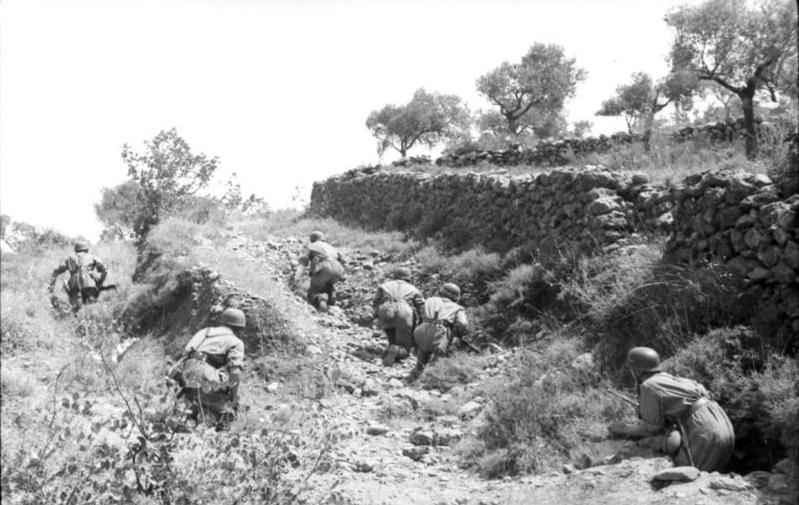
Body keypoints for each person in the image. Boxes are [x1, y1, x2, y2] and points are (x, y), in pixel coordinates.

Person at [609, 346, 735, 472]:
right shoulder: (672, 379)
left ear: (637, 371)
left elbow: (651, 429)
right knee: (711, 477)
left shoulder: (648, 386)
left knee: (685, 476)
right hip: (723, 423)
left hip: (705, 430)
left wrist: (622, 428)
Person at [175, 307, 246, 431]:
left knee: (191, 407)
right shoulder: (236, 342)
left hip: (185, 375)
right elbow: (235, 373)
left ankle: (190, 418)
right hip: (205, 378)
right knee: (229, 416)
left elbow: (186, 352)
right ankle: (218, 426)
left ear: (222, 322)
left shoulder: (205, 332)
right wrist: (233, 398)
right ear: (239, 329)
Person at [409, 283, 468, 380]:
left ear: (441, 291)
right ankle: (432, 374)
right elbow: (463, 323)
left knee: (424, 349)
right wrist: (458, 333)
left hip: (420, 330)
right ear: (456, 296)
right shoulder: (458, 308)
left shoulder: (429, 300)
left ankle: (417, 370)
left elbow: (420, 312)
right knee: (444, 347)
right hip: (438, 332)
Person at [373, 267, 425, 366]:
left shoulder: (384, 286)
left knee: (391, 332)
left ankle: (391, 347)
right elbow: (421, 307)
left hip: (386, 310)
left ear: (395, 276)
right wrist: (421, 322)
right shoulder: (413, 289)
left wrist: (377, 314)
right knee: (405, 348)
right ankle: (398, 350)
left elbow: (375, 301)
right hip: (404, 312)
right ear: (408, 278)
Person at [48, 240, 108, 312]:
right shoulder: (93, 257)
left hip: (74, 285)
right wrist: (99, 283)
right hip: (89, 283)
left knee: (74, 307)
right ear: (87, 249)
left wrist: (51, 287)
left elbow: (55, 271)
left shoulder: (69, 258)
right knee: (90, 307)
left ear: (75, 250)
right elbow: (105, 270)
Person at [302, 231, 345, 311]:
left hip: (324, 267)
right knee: (328, 284)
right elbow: (343, 261)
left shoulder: (312, 246)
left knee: (316, 289)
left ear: (312, 239)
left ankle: (321, 301)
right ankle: (331, 296)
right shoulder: (332, 247)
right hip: (338, 268)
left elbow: (304, 261)